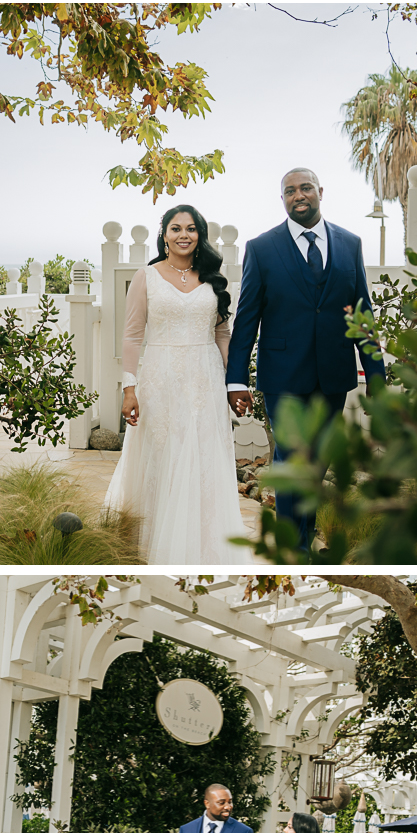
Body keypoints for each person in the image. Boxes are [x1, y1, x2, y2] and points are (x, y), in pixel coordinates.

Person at [225, 167, 387, 554]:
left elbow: (360, 312)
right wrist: (236, 380)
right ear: (282, 199)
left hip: (333, 373)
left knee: (316, 462)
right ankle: (292, 547)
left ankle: (302, 538)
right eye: (290, 191)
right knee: (294, 455)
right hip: (282, 374)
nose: (299, 195)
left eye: (306, 188)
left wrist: (377, 378)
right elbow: (247, 316)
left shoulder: (350, 243)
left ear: (320, 192)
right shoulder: (262, 248)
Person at [103, 205, 251, 564]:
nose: (183, 234)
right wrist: (129, 388)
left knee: (202, 458)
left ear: (200, 234)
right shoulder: (147, 276)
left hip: (205, 379)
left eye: (191, 228)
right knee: (162, 456)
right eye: (175, 228)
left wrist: (235, 385)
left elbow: (222, 333)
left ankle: (202, 546)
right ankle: (152, 542)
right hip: (160, 379)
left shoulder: (214, 278)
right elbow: (133, 336)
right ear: (164, 235)